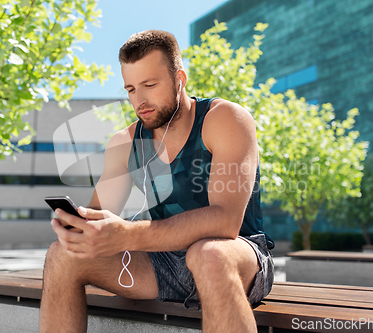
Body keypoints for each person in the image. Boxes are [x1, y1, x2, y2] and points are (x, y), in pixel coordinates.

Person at [39, 30, 274, 333]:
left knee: (208, 254)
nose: (140, 100)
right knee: (63, 255)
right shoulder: (125, 142)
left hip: (236, 255)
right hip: (161, 262)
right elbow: (98, 216)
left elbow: (226, 221)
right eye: (131, 89)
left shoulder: (224, 118)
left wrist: (128, 234)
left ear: (180, 79)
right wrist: (81, 230)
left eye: (150, 85)